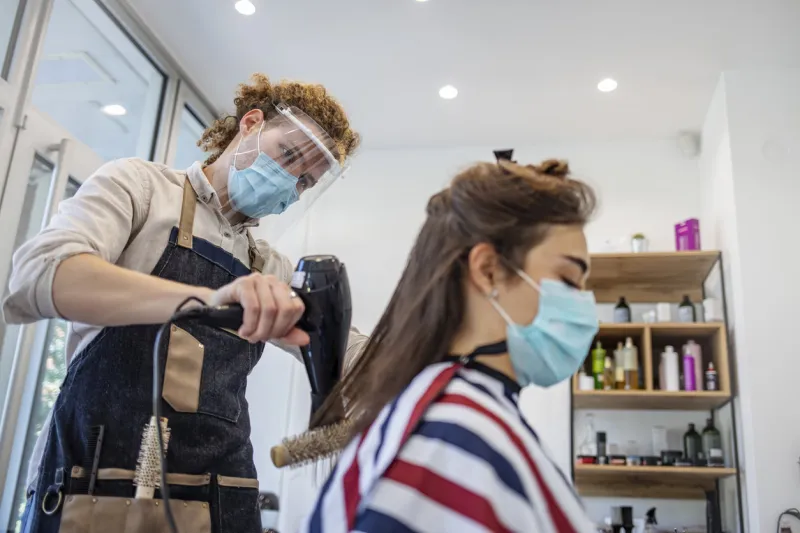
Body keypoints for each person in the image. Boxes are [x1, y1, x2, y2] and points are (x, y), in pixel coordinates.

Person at [3, 73, 368, 533]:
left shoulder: (268, 265)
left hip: (219, 496)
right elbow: (38, 273)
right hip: (98, 482)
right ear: (251, 124)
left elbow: (345, 348)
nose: (290, 183)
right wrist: (211, 299)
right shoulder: (141, 188)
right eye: (289, 155)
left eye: (305, 182)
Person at [304, 154, 599, 533]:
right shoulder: (454, 436)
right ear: (488, 270)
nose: (585, 305)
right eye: (570, 280)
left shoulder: (456, 412)